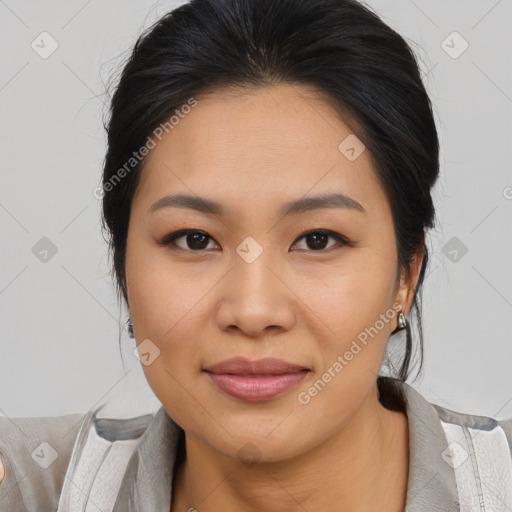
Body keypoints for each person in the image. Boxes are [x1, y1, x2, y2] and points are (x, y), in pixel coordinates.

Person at [1, 0, 511, 510]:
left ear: (407, 272)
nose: (253, 311)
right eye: (194, 239)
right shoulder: (28, 487)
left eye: (317, 240)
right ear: (123, 265)